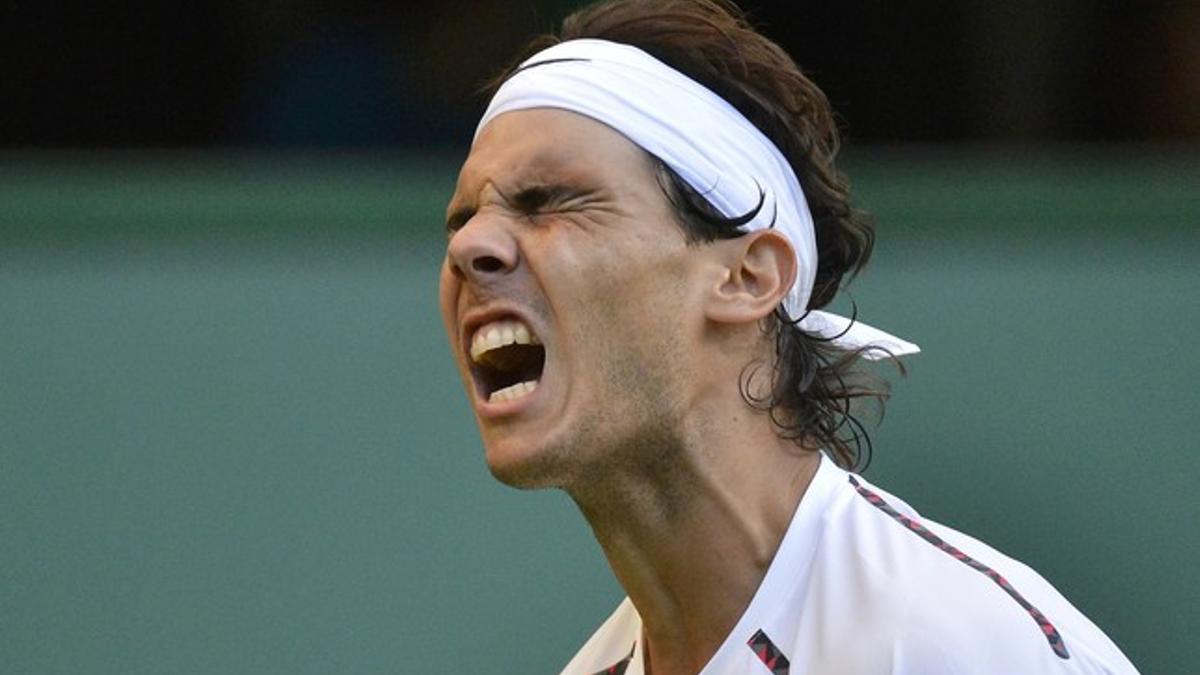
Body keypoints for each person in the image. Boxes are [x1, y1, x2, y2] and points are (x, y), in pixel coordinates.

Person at [438, 1, 1139, 673]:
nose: (471, 245)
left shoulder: (967, 649)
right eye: (462, 219)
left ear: (748, 277)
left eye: (550, 201)